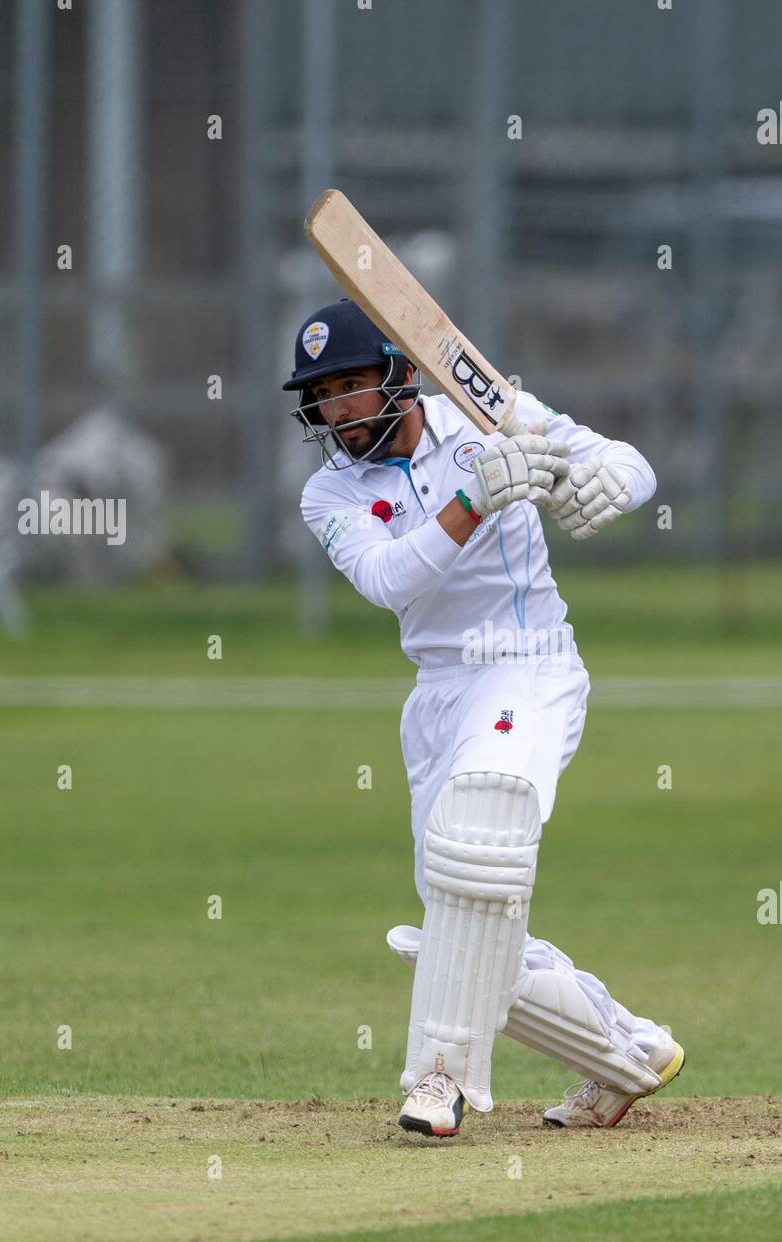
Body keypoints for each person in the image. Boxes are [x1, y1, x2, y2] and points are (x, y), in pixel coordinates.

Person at [288, 299, 684, 1136]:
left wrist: (614, 476)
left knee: (480, 835)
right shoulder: (328, 494)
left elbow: (620, 460)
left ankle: (439, 1081)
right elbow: (391, 581)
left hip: (527, 666)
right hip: (437, 692)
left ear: (397, 374)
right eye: (323, 395)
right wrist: (471, 499)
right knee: (459, 921)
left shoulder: (486, 414)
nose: (339, 409)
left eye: (353, 384)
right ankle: (629, 1052)